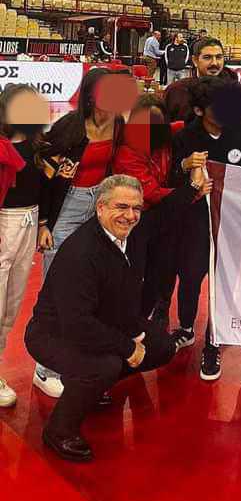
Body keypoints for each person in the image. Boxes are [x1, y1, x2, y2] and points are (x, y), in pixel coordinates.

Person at [25, 172, 210, 463]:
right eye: (121, 207)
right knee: (105, 365)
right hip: (54, 334)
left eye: (136, 208)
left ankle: (93, 387)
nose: (130, 215)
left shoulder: (132, 231)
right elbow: (77, 324)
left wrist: (194, 186)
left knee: (161, 345)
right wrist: (127, 346)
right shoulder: (81, 253)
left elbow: (166, 211)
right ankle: (59, 431)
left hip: (106, 321)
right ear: (100, 208)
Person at [33, 67, 126, 399]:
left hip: (98, 205)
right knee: (55, 290)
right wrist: (44, 224)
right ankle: (44, 369)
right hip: (66, 206)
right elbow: (44, 177)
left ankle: (79, 360)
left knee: (88, 290)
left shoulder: (119, 124)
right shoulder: (69, 127)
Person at [170, 76, 241, 381]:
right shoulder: (185, 138)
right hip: (195, 221)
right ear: (198, 110)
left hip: (233, 221)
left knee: (223, 281)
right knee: (191, 275)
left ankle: (213, 341)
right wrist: (184, 166)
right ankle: (186, 327)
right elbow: (171, 179)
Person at [112, 95, 191, 325]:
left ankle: (158, 311)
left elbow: (187, 126)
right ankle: (130, 320)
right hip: (136, 219)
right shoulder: (127, 151)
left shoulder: (166, 135)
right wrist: (192, 192)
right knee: (135, 272)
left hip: (163, 215)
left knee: (163, 269)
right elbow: (151, 192)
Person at [0, 85, 45, 408]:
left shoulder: (38, 144)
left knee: (11, 307)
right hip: (4, 222)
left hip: (29, 222)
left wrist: (43, 224)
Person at [164, 37, 238, 122]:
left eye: (219, 57)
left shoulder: (233, 91)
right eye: (207, 57)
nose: (214, 63)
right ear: (195, 60)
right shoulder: (176, 91)